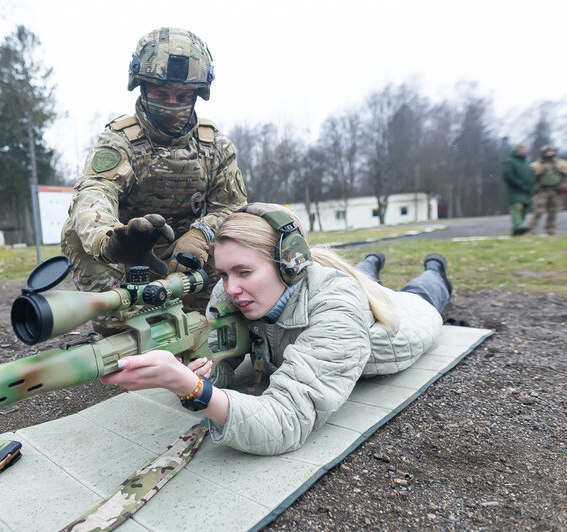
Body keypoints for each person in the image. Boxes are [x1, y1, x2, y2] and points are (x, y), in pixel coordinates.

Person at [101, 203, 452, 456]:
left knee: (423, 290)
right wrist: (194, 363)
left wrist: (192, 389)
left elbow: (286, 421)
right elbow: (219, 362)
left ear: (289, 265)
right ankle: (372, 261)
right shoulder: (234, 293)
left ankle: (434, 267)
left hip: (407, 319)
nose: (230, 288)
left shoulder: (338, 306)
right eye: (223, 274)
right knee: (362, 270)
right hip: (330, 290)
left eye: (244, 272)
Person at [61, 27, 247, 316]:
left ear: (197, 95)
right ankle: (119, 322)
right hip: (129, 258)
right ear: (143, 88)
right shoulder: (121, 141)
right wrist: (109, 240)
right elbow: (95, 193)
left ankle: (208, 320)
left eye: (182, 96)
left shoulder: (215, 146)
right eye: (161, 93)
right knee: (74, 231)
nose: (171, 104)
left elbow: (233, 207)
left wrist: (202, 233)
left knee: (239, 236)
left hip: (189, 258)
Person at [528, 145, 567, 235]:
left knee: (553, 211)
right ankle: (531, 230)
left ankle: (550, 230)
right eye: (547, 152)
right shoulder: (536, 165)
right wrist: (534, 187)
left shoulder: (561, 164)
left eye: (551, 152)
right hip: (542, 190)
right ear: (543, 153)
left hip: (556, 190)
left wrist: (564, 186)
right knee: (538, 211)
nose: (550, 153)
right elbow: (529, 178)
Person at [501, 143, 536, 236]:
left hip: (527, 191)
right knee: (516, 208)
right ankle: (518, 227)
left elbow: (531, 175)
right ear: (517, 150)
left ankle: (516, 231)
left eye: (525, 149)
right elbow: (508, 175)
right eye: (522, 149)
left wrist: (532, 185)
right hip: (515, 190)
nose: (525, 151)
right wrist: (521, 184)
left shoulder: (526, 162)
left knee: (523, 210)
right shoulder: (510, 161)